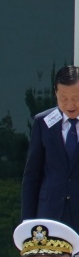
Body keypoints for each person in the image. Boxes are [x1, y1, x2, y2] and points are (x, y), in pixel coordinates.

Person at [20, 64, 79, 224]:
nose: (70, 105)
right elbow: (32, 175)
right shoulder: (43, 122)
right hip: (50, 212)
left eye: (75, 98)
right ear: (55, 94)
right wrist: (27, 222)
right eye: (63, 99)